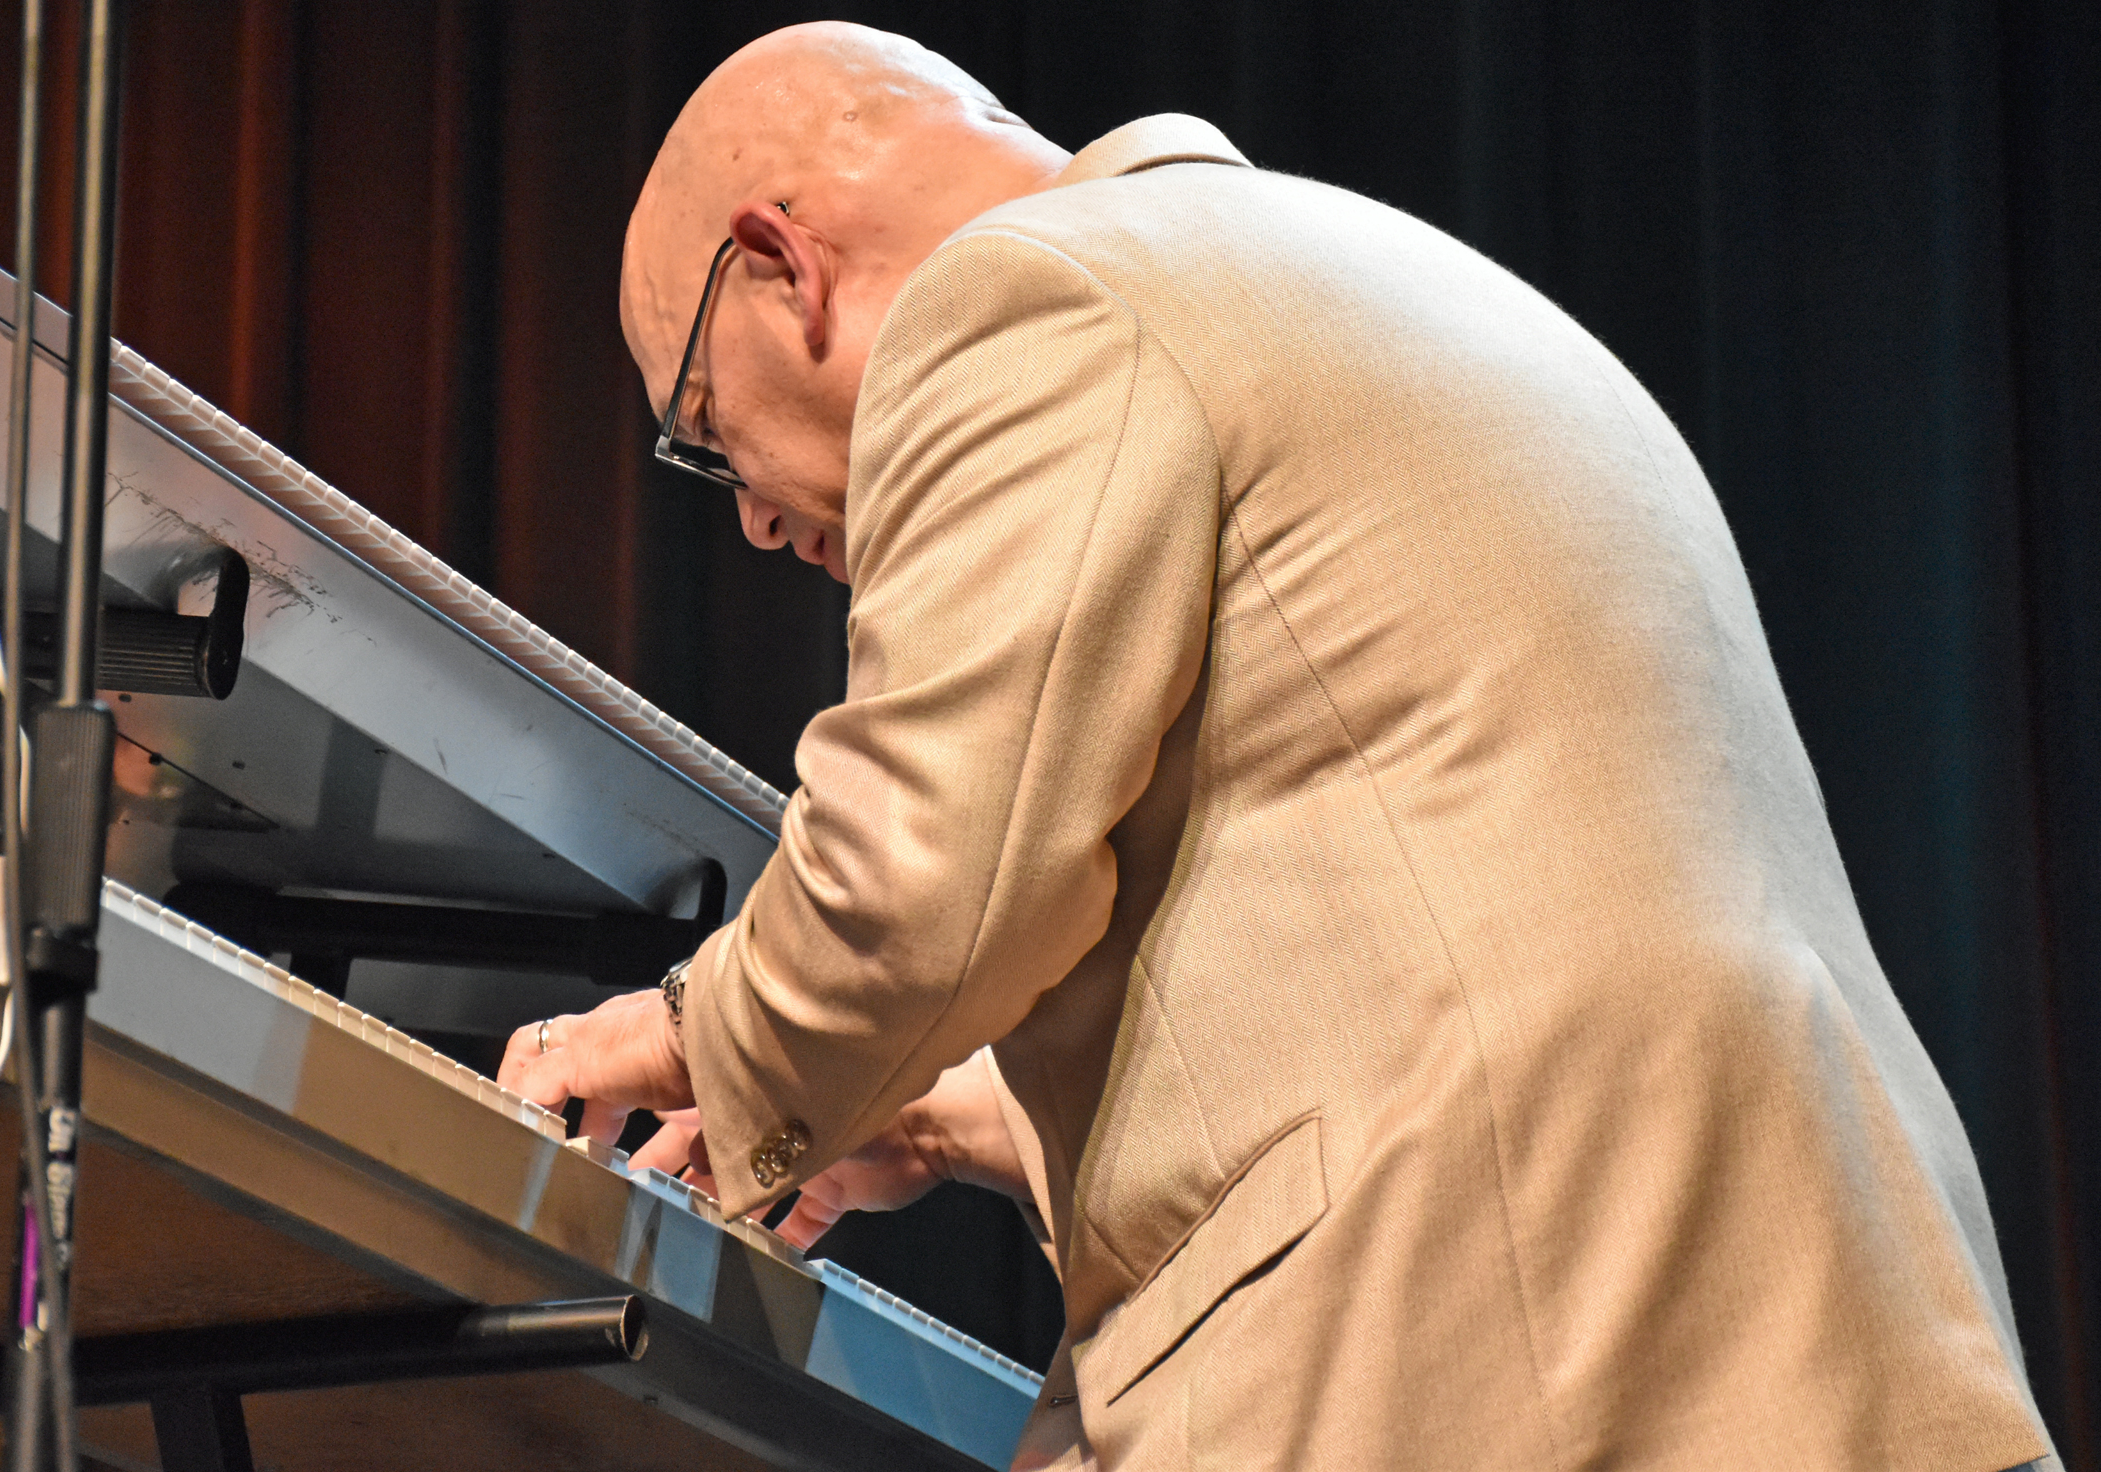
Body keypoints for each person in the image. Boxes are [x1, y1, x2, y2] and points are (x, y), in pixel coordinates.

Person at [496, 21, 2056, 1471]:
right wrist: (920, 1110)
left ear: (783, 264)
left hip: (1495, 1323)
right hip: (1803, 1310)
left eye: (706, 432)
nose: (756, 522)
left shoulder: (1027, 297)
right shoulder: (1381, 272)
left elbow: (911, 890)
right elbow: (1410, 925)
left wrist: (693, 1033)